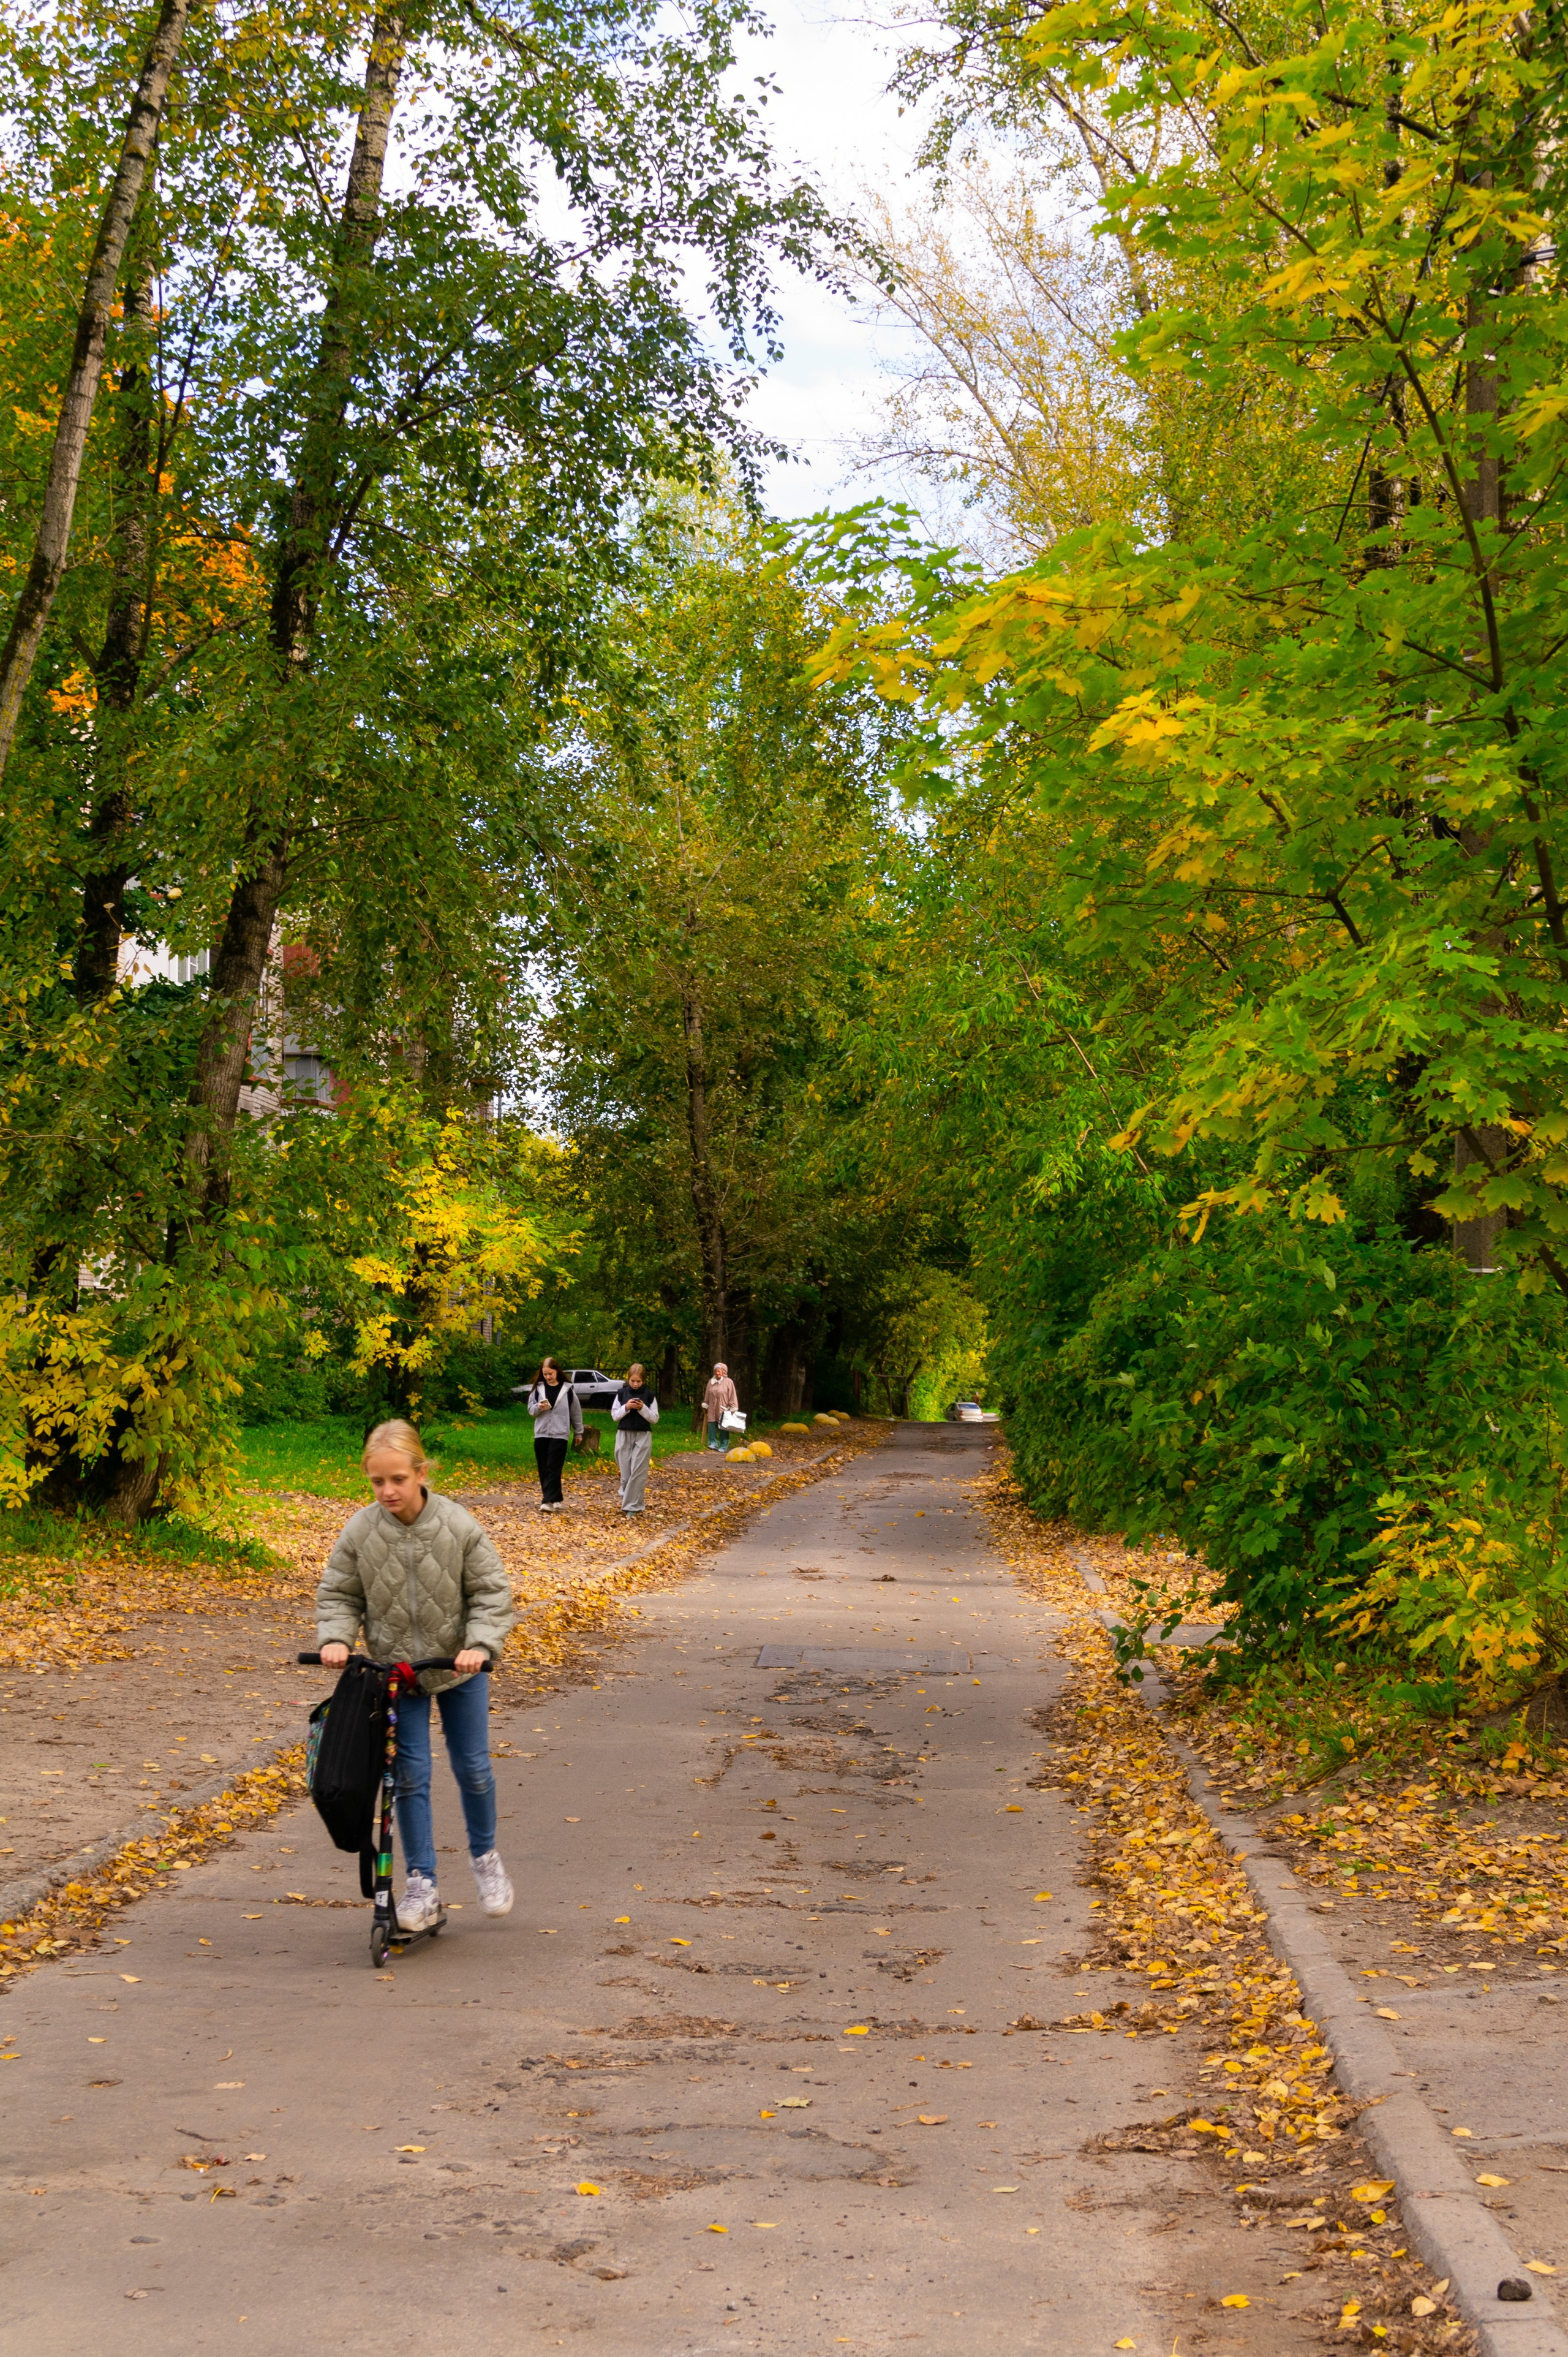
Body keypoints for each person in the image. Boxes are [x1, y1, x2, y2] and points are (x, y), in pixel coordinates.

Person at [315, 1418, 515, 1932]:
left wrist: (479, 1645)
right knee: (409, 1775)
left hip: (458, 1668)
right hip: (397, 1672)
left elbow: (491, 1591)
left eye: (398, 1479)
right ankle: (422, 1882)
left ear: (422, 1473)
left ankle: (485, 1857)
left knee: (473, 1767)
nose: (388, 1490)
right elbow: (340, 1593)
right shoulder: (361, 1530)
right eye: (377, 1481)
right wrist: (337, 1638)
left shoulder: (458, 1525)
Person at [526, 1355, 582, 1510]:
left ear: (557, 1371)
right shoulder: (538, 1390)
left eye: (550, 1373)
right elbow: (531, 1411)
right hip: (541, 1433)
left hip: (560, 1433)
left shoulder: (568, 1390)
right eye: (545, 1374)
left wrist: (579, 1432)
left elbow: (576, 1412)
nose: (548, 1377)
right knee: (544, 1467)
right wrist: (539, 1407)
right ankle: (556, 1497)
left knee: (553, 1466)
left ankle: (548, 1501)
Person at [610, 1361, 660, 1513]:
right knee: (626, 1474)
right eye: (633, 1381)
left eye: (639, 1381)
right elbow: (615, 1416)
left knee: (638, 1471)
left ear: (644, 1380)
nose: (636, 1384)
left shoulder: (650, 1396)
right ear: (629, 1379)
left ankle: (633, 1506)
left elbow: (655, 1418)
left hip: (643, 1435)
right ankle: (629, 1497)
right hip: (624, 1434)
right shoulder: (621, 1394)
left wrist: (642, 1408)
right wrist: (626, 1407)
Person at [703, 1361, 738, 1452]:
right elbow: (707, 1394)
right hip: (712, 1408)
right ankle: (712, 1443)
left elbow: (732, 1395)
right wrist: (705, 1404)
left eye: (719, 1371)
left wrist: (733, 1407)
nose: (717, 1373)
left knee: (724, 1427)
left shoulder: (728, 1382)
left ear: (723, 1372)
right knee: (712, 1425)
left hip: (723, 1408)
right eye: (716, 1371)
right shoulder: (711, 1382)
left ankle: (723, 1446)